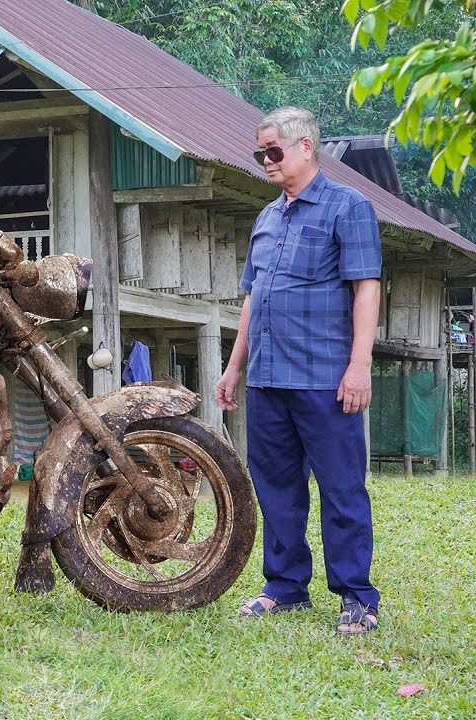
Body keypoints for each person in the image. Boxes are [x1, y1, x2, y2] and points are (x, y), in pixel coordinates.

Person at [215, 106, 381, 635]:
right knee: (277, 488)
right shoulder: (268, 217)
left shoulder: (347, 207)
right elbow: (252, 298)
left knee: (341, 489)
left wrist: (359, 366)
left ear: (306, 146)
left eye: (274, 151)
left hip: (325, 377)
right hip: (267, 378)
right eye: (260, 153)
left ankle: (357, 596)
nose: (266, 160)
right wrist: (233, 367)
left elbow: (366, 288)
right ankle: (285, 587)